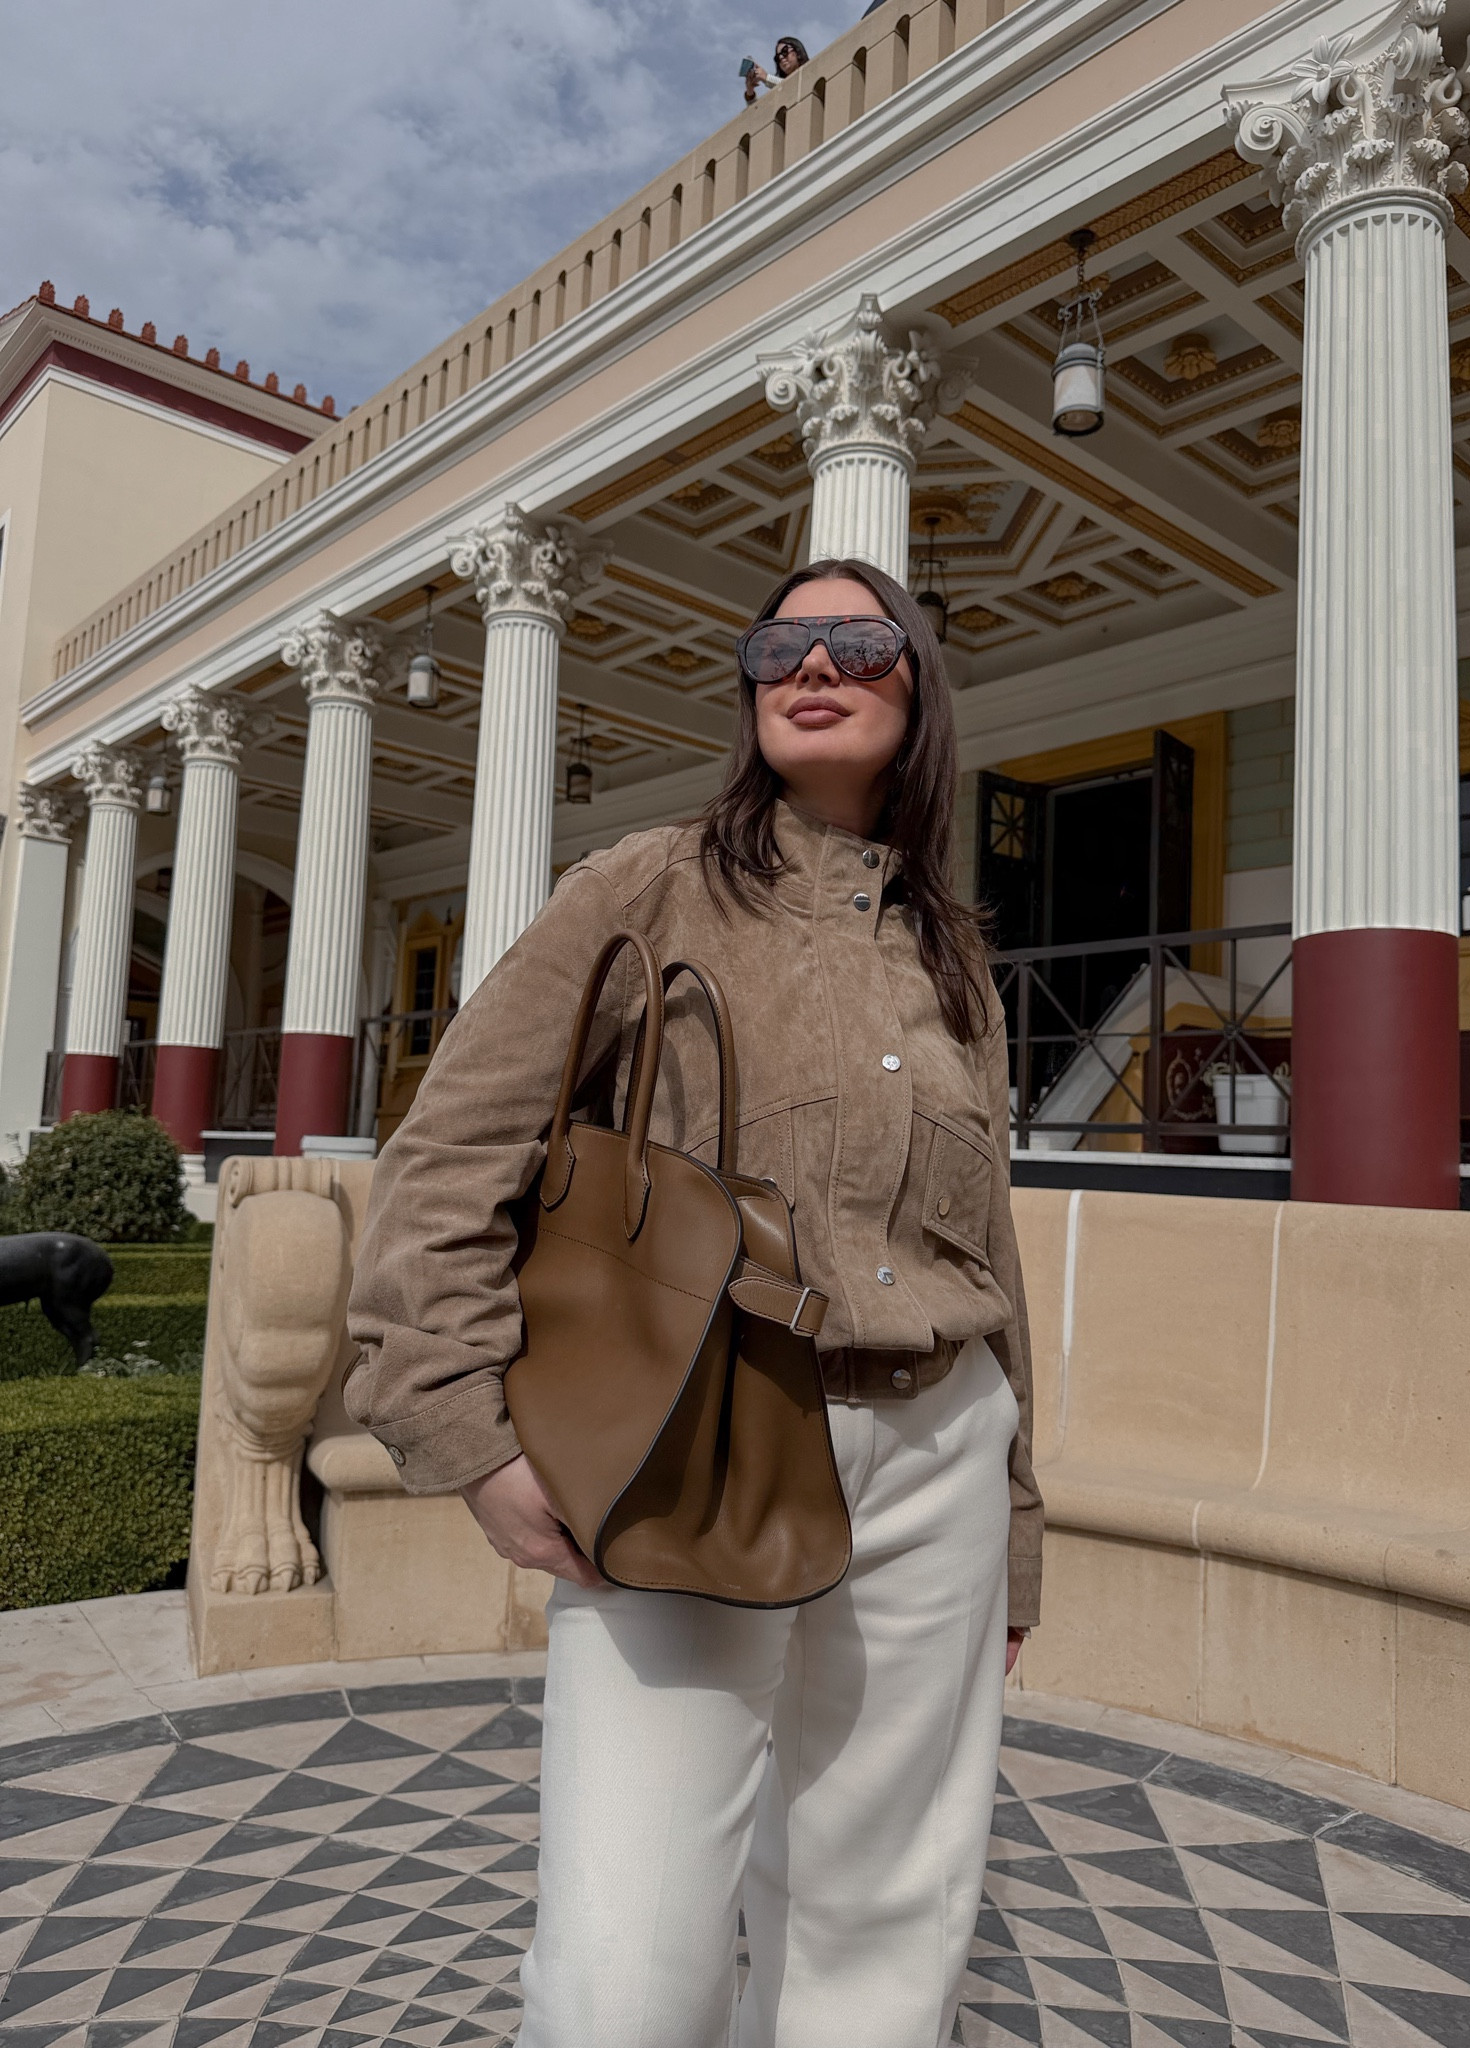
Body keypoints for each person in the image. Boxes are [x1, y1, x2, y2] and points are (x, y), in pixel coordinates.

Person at [346, 558, 1043, 2048]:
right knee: (627, 1964)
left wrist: (1018, 1511)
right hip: (689, 1445)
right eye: (777, 643)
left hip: (939, 1457)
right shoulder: (645, 886)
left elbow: (990, 1260)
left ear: (918, 683)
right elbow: (447, 1156)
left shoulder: (956, 957)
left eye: (859, 640)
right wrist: (459, 1427)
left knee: (884, 1928)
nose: (814, 663)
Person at [744, 34, 809, 102]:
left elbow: (796, 87)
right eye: (777, 57)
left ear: (797, 50)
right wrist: (750, 91)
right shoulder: (778, 92)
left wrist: (766, 77)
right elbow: (760, 110)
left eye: (785, 51)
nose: (781, 58)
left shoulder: (810, 73)